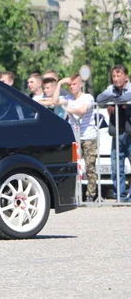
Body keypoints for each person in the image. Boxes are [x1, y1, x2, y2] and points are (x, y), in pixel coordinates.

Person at [51, 74, 99, 202]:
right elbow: (55, 101)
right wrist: (60, 83)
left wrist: (69, 110)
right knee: (72, 166)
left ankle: (91, 194)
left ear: (81, 84)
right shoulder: (68, 98)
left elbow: (83, 110)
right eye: (70, 85)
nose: (72, 87)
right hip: (75, 137)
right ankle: (74, 194)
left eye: (74, 84)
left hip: (88, 137)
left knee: (90, 167)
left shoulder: (87, 97)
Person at [96, 64, 131, 201]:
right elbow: (99, 99)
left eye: (119, 75)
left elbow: (127, 97)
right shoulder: (112, 89)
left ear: (126, 77)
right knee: (116, 167)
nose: (115, 79)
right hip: (117, 133)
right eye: (114, 76)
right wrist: (113, 102)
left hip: (130, 133)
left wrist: (113, 102)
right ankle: (120, 197)